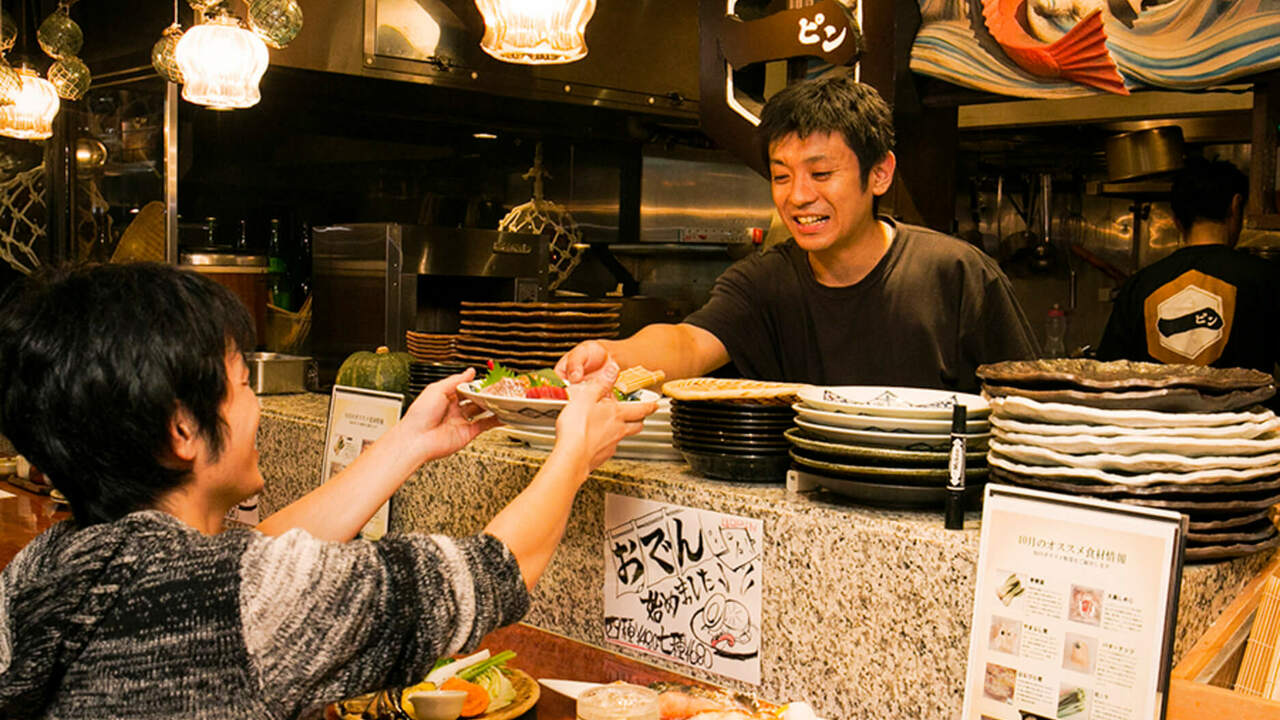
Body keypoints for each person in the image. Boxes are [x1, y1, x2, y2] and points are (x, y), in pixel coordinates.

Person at [0, 262, 653, 717]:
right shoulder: (239, 603)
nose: (255, 405)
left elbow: (252, 563)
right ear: (182, 429)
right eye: (242, 384)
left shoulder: (41, 569)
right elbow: (494, 573)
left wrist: (408, 442)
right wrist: (574, 450)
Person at [557, 75, 1037, 392]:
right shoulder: (764, 282)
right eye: (781, 176)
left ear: (880, 174)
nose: (798, 196)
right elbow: (689, 343)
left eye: (821, 174)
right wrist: (611, 355)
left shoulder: (957, 274)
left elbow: (1029, 403)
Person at [1096, 158, 1280, 371]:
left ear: (1176, 219)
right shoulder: (1266, 278)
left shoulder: (1139, 286)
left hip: (1153, 395)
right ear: (1235, 205)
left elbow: (1108, 373)